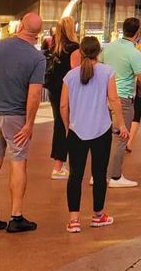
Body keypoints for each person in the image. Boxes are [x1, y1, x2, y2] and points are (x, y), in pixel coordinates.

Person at [0, 12, 46, 234]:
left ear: (20, 26)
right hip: (15, 116)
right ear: (38, 33)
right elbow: (34, 95)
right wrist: (29, 124)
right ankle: (16, 217)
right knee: (18, 162)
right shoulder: (37, 58)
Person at [60, 36, 128, 232]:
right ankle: (98, 215)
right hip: (101, 130)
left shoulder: (70, 76)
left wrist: (67, 126)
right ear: (99, 52)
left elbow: (64, 105)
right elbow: (114, 100)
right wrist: (122, 124)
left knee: (75, 175)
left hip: (76, 130)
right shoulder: (107, 72)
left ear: (80, 52)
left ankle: (74, 220)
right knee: (99, 174)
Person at [100, 18, 141, 188]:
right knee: (121, 137)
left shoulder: (110, 47)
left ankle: (99, 175)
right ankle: (115, 176)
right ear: (138, 32)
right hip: (124, 98)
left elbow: (98, 64)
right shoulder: (133, 52)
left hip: (106, 97)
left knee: (104, 138)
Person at [44, 16, 80, 179]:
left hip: (53, 89)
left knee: (59, 123)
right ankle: (60, 165)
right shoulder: (74, 47)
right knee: (67, 125)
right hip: (68, 91)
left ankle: (59, 164)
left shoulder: (53, 46)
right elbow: (76, 71)